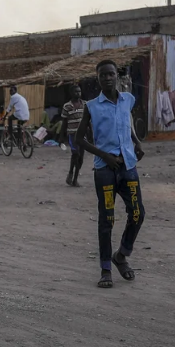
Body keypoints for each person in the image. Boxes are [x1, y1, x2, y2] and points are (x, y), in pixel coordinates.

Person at [75, 60, 146, 289]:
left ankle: (122, 255)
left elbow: (128, 123)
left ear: (117, 76)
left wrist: (137, 142)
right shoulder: (92, 106)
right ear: (97, 79)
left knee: (137, 213)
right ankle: (106, 269)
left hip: (128, 166)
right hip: (105, 170)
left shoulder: (128, 99)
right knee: (107, 220)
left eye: (111, 74)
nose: (107, 78)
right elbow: (78, 139)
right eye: (102, 75)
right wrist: (104, 155)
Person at [61, 84, 86, 187]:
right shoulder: (67, 106)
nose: (78, 93)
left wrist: (92, 134)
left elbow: (88, 121)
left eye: (79, 91)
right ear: (71, 93)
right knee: (76, 155)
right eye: (76, 92)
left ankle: (73, 175)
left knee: (81, 159)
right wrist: (61, 138)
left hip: (83, 135)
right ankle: (73, 176)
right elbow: (64, 123)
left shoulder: (85, 104)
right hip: (72, 134)